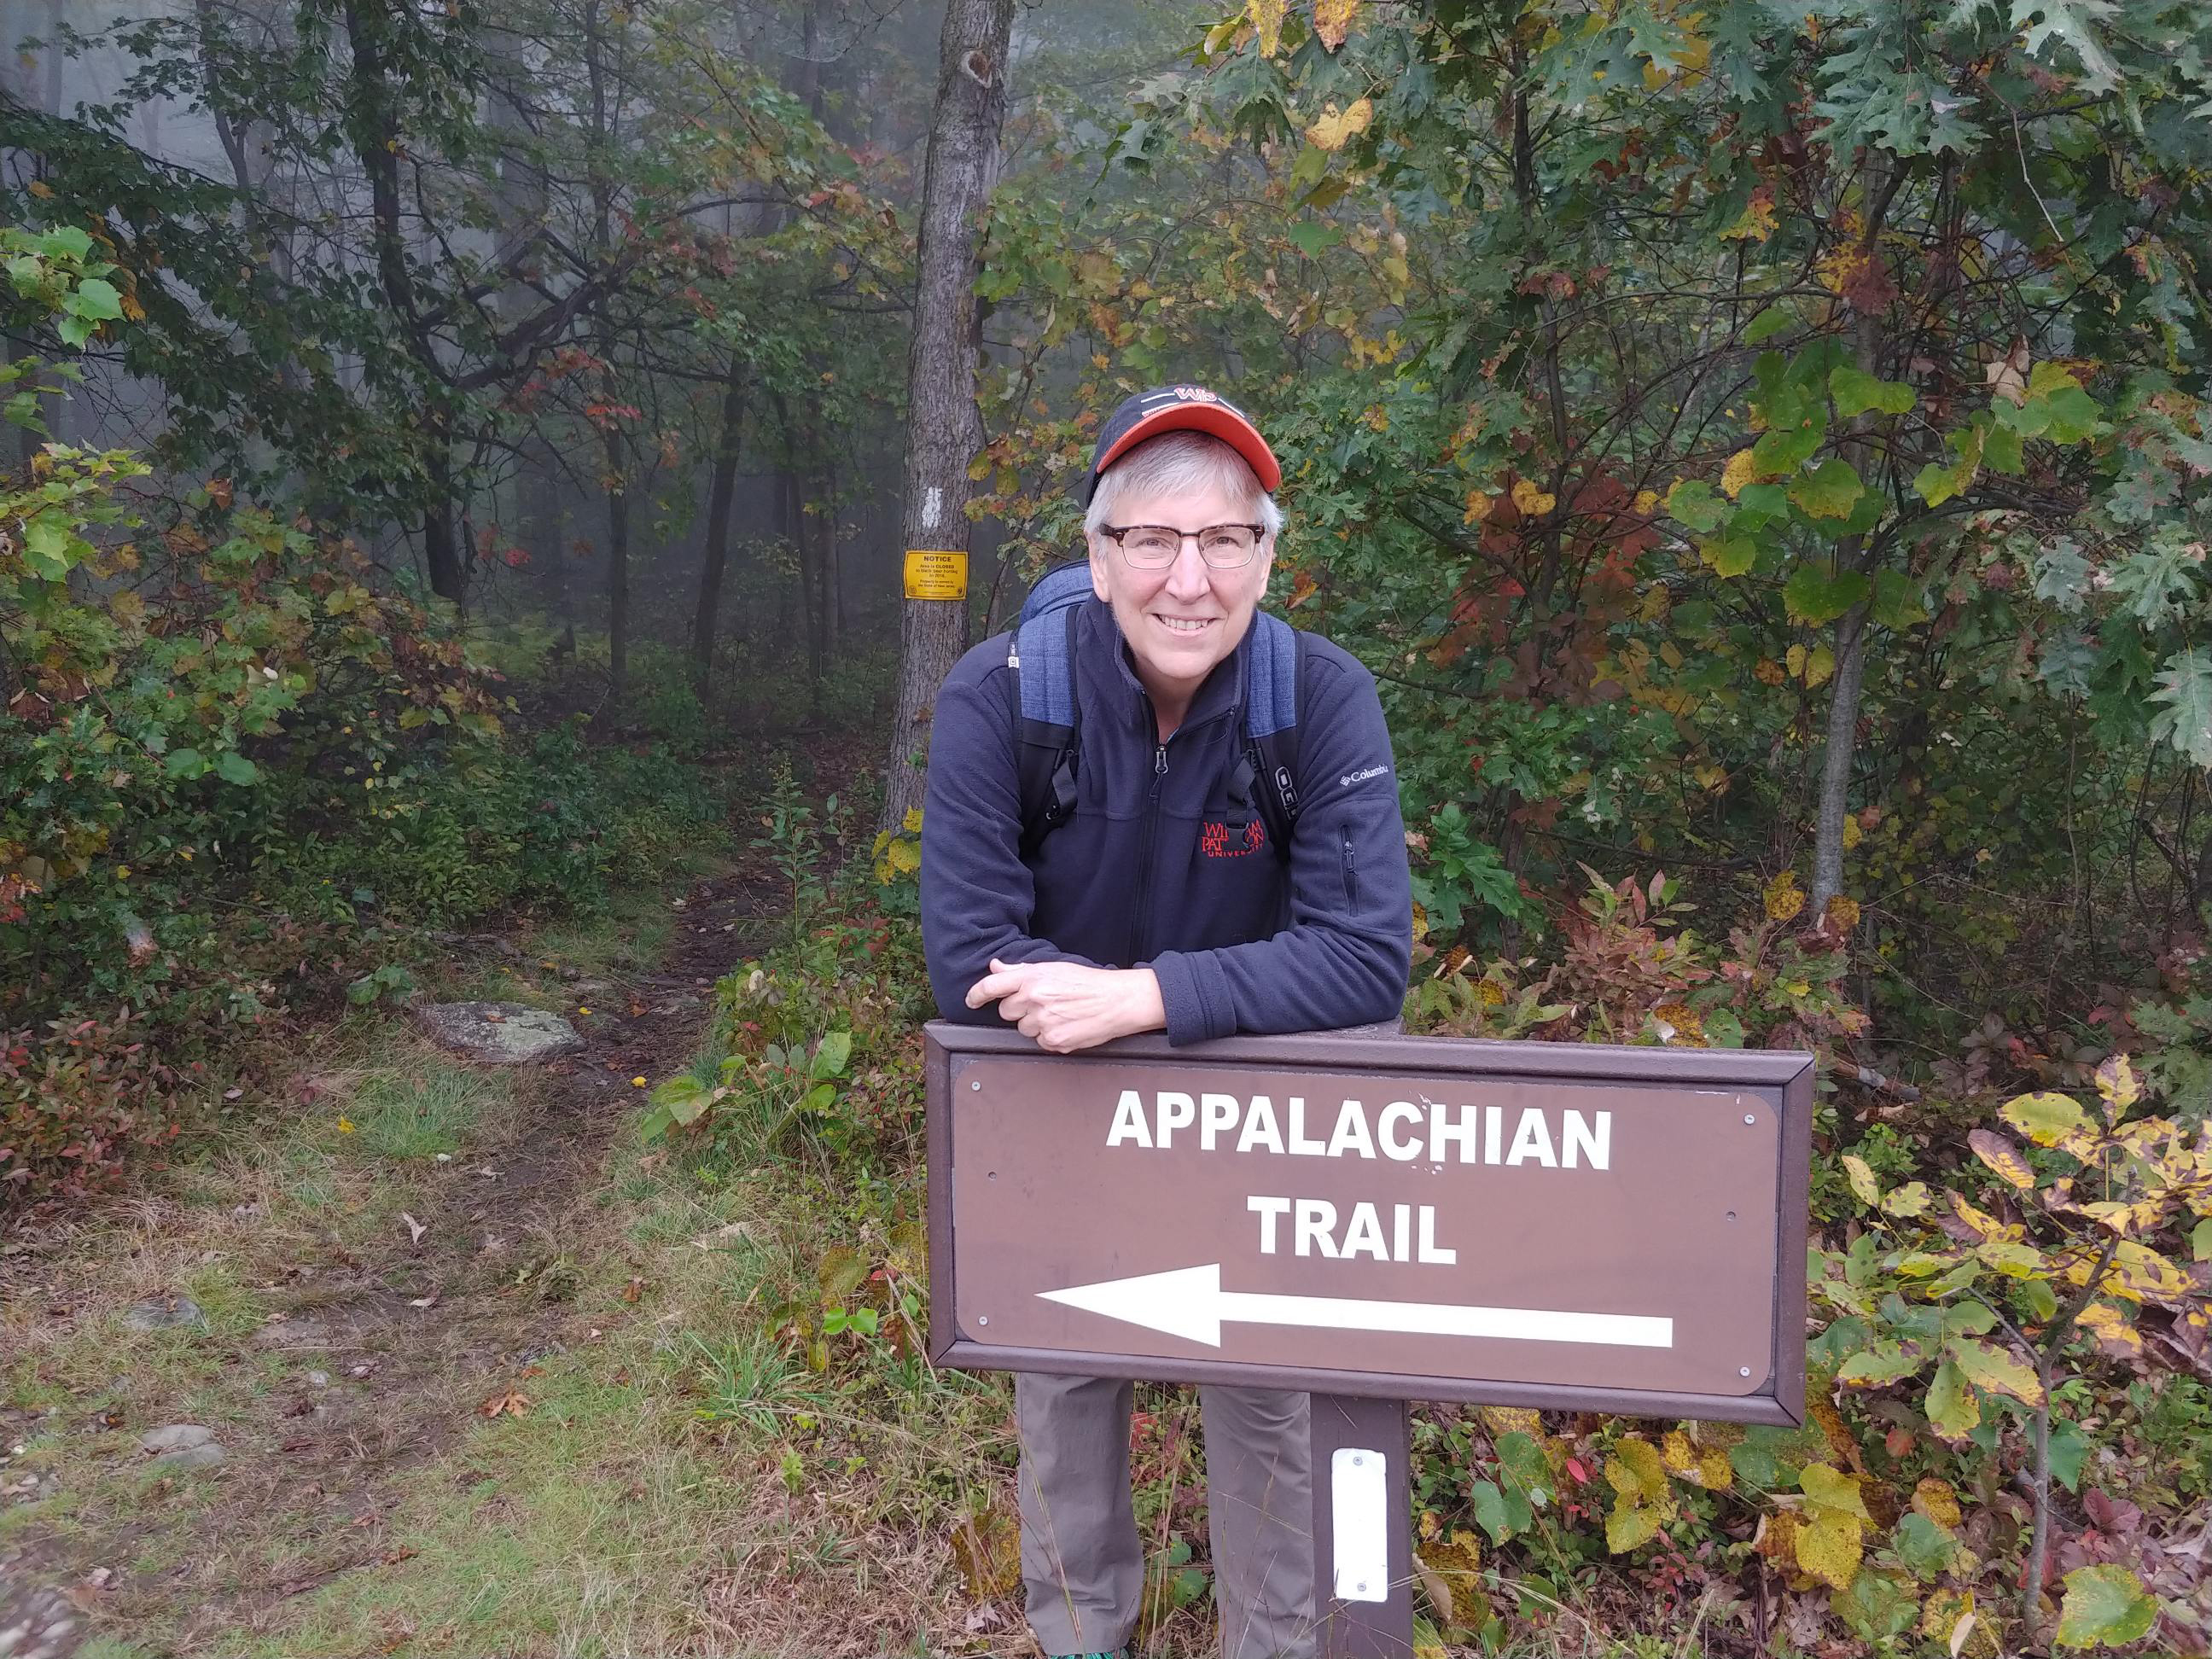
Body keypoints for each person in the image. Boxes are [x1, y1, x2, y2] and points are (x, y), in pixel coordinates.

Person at [920, 385, 1413, 1659]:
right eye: (1154, 539)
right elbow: (968, 951)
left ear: (1267, 554)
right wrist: (1093, 1011)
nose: (1188, 578)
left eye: (1226, 540)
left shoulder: (1319, 699)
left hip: (1256, 1123)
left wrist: (1140, 998)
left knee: (1271, 1407)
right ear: (1098, 556)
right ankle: (1084, 1639)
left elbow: (1365, 962)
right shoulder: (1004, 696)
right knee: (1067, 1389)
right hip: (1062, 1109)